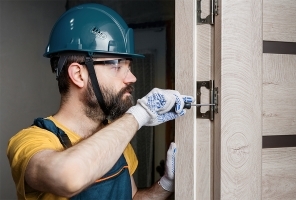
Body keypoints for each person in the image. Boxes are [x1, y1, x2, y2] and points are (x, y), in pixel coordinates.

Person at [7, 3, 194, 199]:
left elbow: (132, 197)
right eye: (116, 65)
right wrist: (140, 114)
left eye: (129, 66)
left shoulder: (114, 135)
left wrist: (166, 183)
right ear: (78, 74)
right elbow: (69, 177)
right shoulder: (31, 141)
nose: (132, 78)